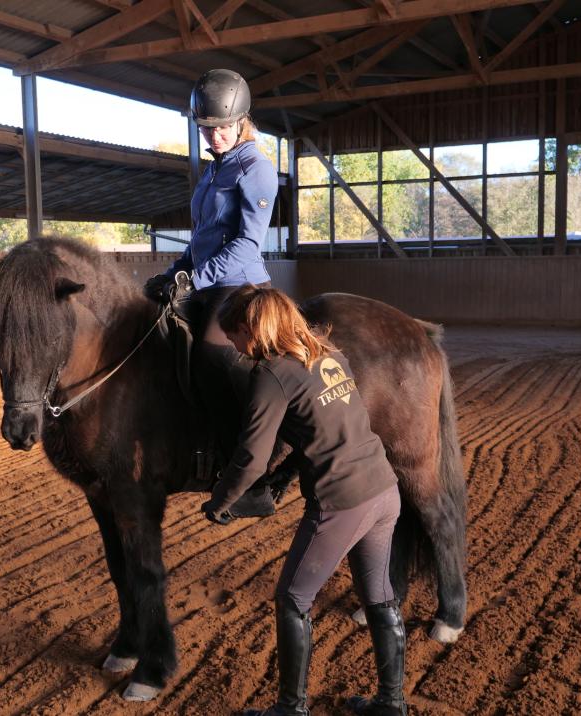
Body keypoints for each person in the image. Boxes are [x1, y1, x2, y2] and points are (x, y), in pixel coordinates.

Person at [201, 285, 408, 716]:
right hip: (383, 492)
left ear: (250, 330)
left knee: (292, 600)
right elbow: (321, 428)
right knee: (379, 597)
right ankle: (392, 703)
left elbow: (251, 456)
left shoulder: (271, 374)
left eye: (234, 337)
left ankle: (291, 709)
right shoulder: (330, 355)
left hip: (342, 502)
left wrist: (220, 500)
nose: (235, 348)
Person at [143, 69, 279, 458]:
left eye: (223, 128)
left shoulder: (257, 169)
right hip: (206, 282)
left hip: (239, 285)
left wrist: (195, 279)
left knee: (210, 357)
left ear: (241, 122)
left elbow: (247, 243)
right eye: (206, 129)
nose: (214, 137)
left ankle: (240, 457)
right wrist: (171, 276)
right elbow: (201, 239)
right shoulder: (213, 170)